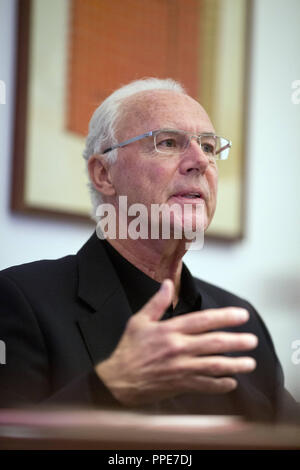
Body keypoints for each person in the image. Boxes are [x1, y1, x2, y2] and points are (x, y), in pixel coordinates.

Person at [0, 78, 298, 422]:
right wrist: (109, 388)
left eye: (209, 147)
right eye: (169, 142)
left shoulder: (241, 321)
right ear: (104, 174)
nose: (199, 161)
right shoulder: (20, 300)